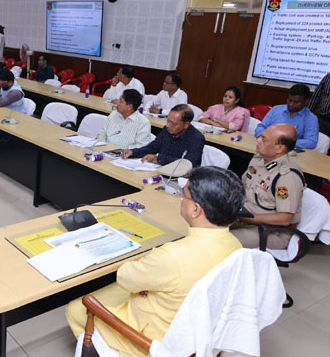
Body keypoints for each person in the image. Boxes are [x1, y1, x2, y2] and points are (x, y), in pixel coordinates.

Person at [66, 166, 243, 357]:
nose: (181, 200)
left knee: (76, 308)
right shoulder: (237, 247)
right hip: (194, 333)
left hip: (154, 340)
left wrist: (149, 277)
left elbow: (125, 277)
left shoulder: (174, 256)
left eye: (183, 196)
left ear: (195, 209)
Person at [232, 124, 305, 249]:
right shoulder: (258, 160)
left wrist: (245, 218)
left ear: (279, 148)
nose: (258, 140)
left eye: (264, 139)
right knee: (202, 226)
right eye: (260, 136)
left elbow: (284, 218)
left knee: (222, 241)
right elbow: (241, 185)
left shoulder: (287, 177)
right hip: (243, 217)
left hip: (272, 231)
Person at [122, 104, 205, 166]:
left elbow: (188, 165)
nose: (168, 125)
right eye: (168, 120)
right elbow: (152, 148)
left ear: (186, 125)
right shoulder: (167, 130)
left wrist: (158, 158)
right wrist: (133, 152)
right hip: (159, 170)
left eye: (173, 123)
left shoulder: (197, 138)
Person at [255, 84, 319, 149]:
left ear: (306, 101)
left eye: (296, 102)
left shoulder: (311, 118)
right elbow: (261, 127)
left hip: (290, 151)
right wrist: (263, 136)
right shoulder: (276, 109)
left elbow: (311, 142)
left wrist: (284, 142)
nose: (291, 104)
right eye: (289, 100)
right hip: (267, 146)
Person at [309, 72, 330, 136]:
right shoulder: (328, 77)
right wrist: (307, 112)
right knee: (319, 142)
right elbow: (316, 95)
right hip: (322, 119)